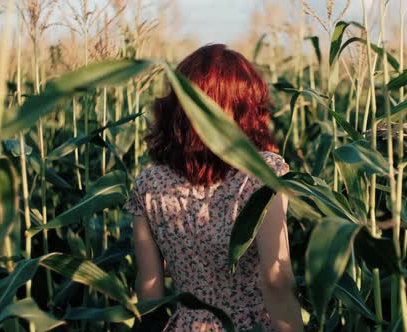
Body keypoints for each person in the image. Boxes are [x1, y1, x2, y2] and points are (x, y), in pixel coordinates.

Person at [124, 44, 304, 332]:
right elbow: (276, 281)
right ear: (245, 109)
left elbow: (150, 290)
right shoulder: (263, 174)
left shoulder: (148, 185)